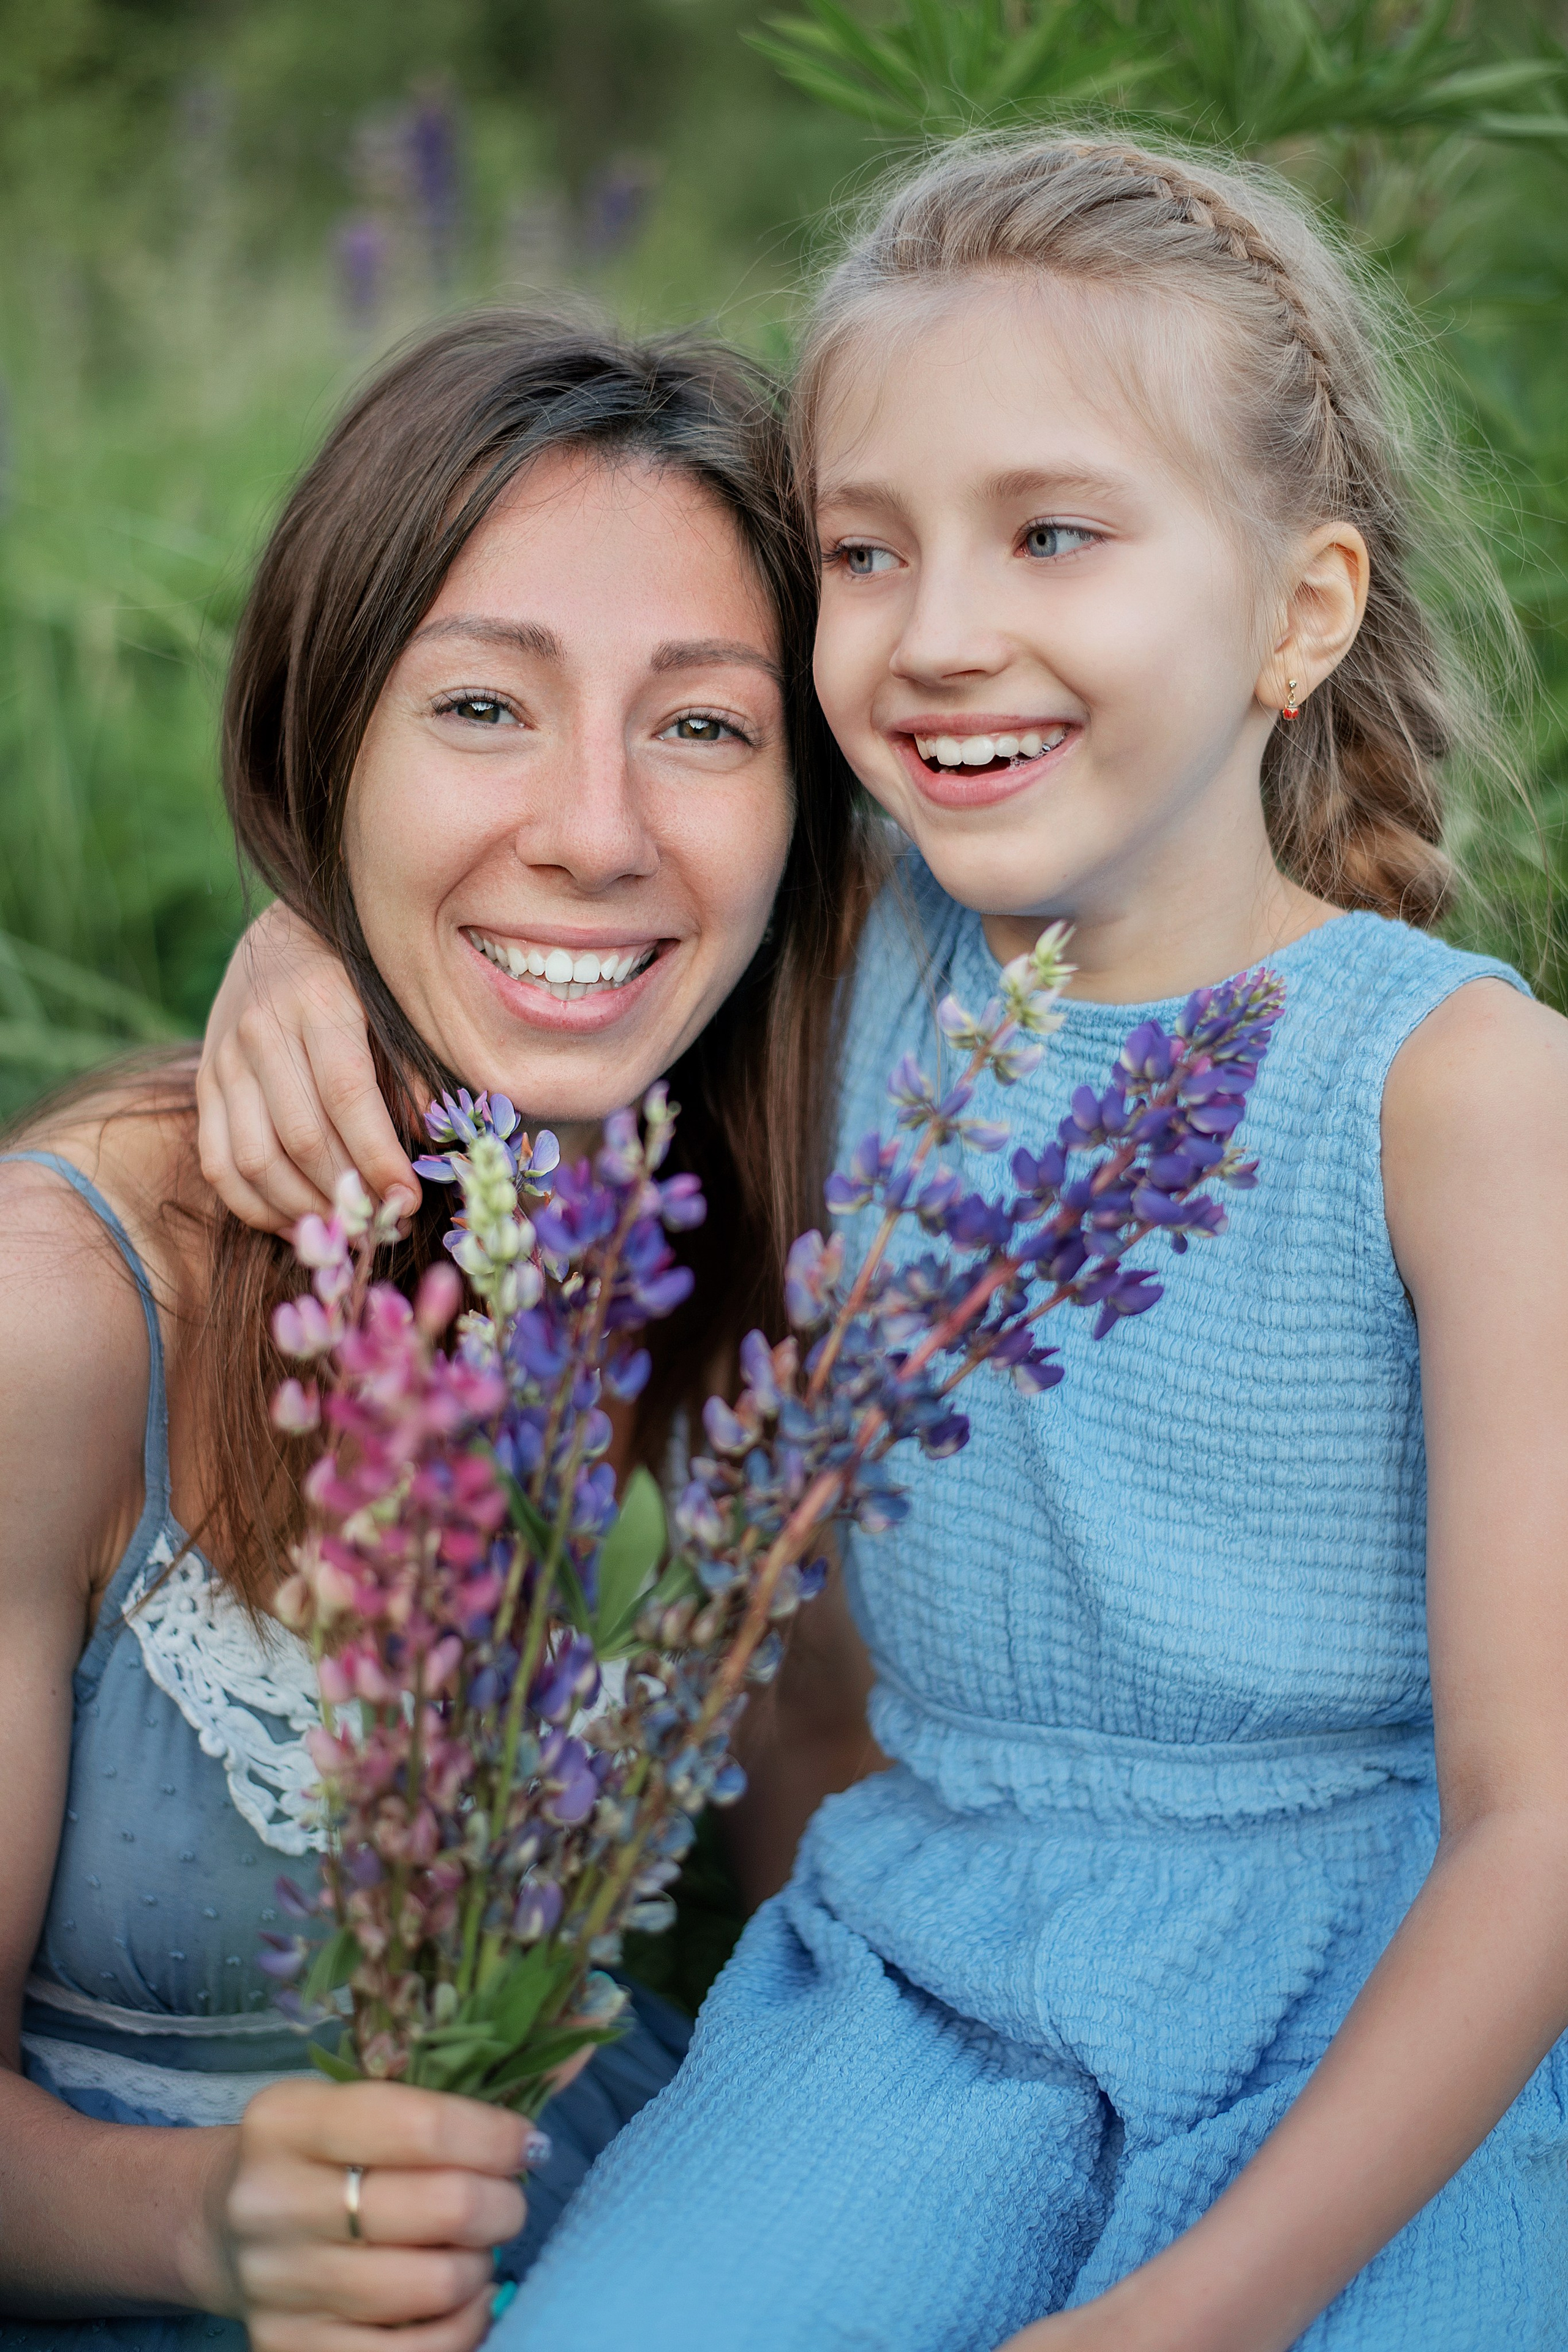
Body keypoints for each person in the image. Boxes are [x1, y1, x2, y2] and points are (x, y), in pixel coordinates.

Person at [209, 135, 1568, 2350]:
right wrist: (302, 944)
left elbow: (1543, 1831)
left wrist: (1207, 2308)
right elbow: (569, 866)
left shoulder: (1457, 1094)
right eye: (862, 552)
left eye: (1054, 534)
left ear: (1301, 611)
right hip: (924, 1987)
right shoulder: (865, 957)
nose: (940, 636)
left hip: (1379, 2027)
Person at [0, 314, 884, 2351]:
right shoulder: (68, 1309)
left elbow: (837, 1853)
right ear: (327, 747)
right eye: (482, 704)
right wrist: (212, 2222)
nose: (594, 828)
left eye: (707, 726)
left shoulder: (750, 1237)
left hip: (622, 2258)